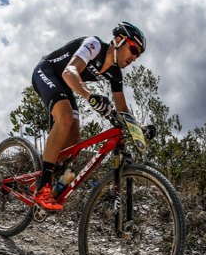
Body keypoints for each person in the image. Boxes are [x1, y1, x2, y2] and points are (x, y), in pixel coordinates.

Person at [30, 22, 146, 210]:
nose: (135, 57)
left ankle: (52, 175)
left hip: (66, 86)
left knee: (74, 140)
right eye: (133, 49)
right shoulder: (94, 45)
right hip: (47, 72)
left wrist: (138, 128)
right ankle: (43, 187)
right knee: (65, 117)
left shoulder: (115, 74)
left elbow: (122, 108)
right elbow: (70, 72)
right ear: (118, 41)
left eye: (139, 54)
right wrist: (90, 96)